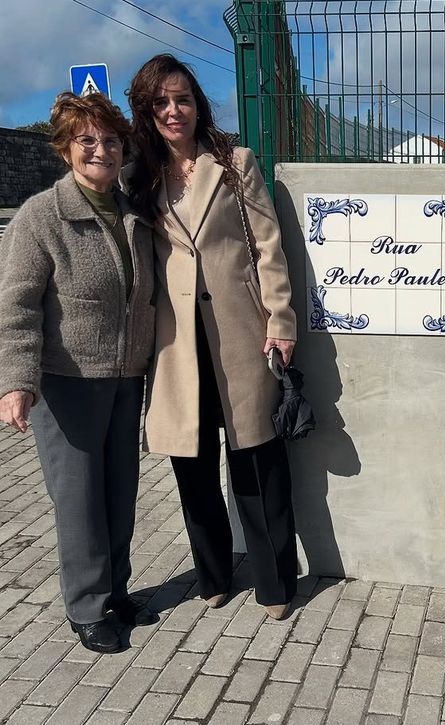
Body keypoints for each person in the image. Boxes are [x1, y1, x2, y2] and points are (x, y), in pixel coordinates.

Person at [126, 54, 298, 620]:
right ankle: (214, 574)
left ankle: (276, 583)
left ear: (198, 104)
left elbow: (267, 246)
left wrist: (281, 319)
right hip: (175, 341)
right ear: (147, 112)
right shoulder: (141, 176)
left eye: (183, 99)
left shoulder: (233, 162)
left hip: (240, 331)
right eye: (161, 103)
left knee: (256, 459)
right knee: (191, 465)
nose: (174, 111)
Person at [0, 92, 157, 653]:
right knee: (79, 498)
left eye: (110, 140)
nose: (101, 150)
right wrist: (16, 381)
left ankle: (116, 589)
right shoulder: (42, 215)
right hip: (66, 380)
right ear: (66, 150)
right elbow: (16, 303)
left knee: (120, 490)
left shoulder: (135, 210)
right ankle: (87, 607)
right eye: (87, 140)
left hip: (124, 375)